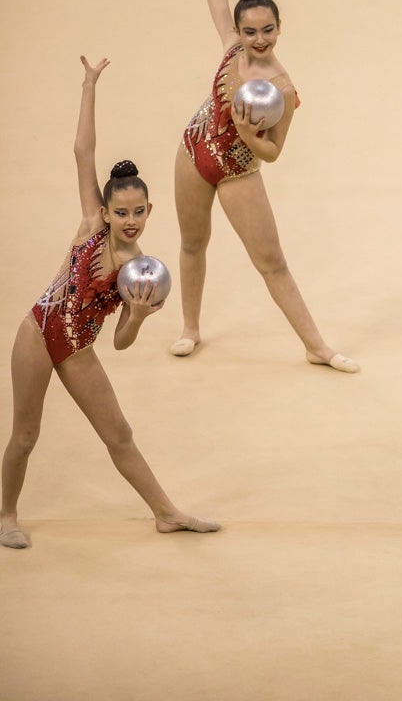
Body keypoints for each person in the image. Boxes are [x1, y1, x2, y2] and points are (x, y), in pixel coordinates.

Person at [1, 57, 220, 549]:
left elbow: (119, 343)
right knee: (26, 435)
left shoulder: (140, 272)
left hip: (78, 351)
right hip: (39, 333)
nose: (130, 220)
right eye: (121, 211)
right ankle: (6, 514)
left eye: (138, 212)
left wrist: (137, 317)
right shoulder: (91, 226)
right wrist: (89, 85)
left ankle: (167, 513)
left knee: (119, 433)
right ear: (105, 211)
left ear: (149, 211)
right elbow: (83, 151)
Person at [171, 0, 357, 372]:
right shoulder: (230, 48)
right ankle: (190, 328)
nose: (258, 40)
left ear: (280, 27)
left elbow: (273, 153)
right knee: (193, 243)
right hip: (194, 150)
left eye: (267, 30)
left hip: (238, 167)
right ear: (238, 31)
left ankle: (317, 346)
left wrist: (248, 135)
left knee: (271, 261)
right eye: (250, 31)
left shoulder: (284, 87)